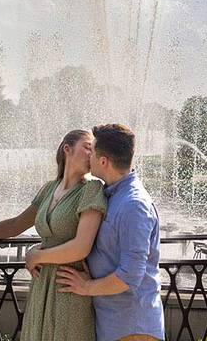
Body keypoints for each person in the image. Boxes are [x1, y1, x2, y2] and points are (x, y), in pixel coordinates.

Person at [0, 129, 107, 341]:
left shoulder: (92, 189)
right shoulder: (48, 189)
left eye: (94, 150)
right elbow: (15, 225)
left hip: (69, 285)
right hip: (41, 283)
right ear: (67, 149)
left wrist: (36, 256)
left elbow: (81, 247)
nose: (92, 155)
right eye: (88, 148)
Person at [56, 123, 165, 341]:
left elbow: (130, 275)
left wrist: (85, 287)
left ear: (103, 161)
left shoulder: (134, 205)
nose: (89, 157)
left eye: (92, 152)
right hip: (116, 325)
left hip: (132, 328)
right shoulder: (113, 195)